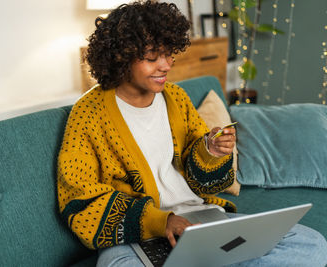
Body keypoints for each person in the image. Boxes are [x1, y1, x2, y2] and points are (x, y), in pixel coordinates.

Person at [57, 1, 327, 266]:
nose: (165, 65)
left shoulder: (176, 97)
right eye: (152, 57)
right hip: (136, 235)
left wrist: (210, 151)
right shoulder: (88, 114)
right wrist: (160, 221)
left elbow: (204, 181)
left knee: (311, 244)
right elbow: (79, 200)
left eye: (169, 53)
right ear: (121, 56)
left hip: (199, 220)